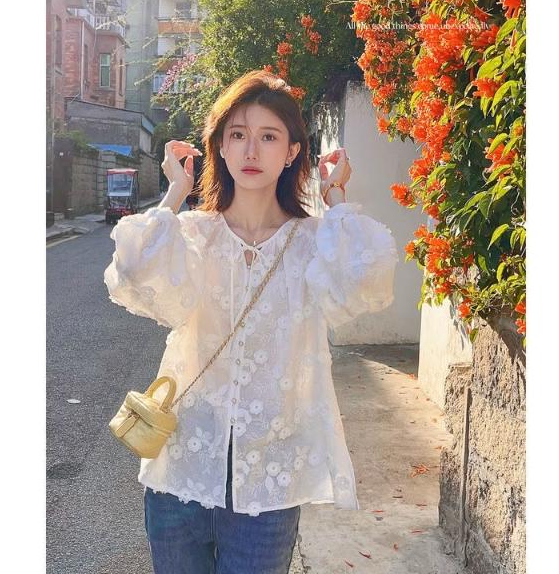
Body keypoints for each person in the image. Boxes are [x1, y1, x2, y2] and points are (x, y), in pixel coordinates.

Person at [103, 70, 399, 573]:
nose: (251, 150)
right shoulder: (193, 235)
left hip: (269, 482)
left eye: (269, 136)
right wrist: (175, 192)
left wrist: (334, 197)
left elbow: (365, 281)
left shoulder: (315, 243)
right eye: (237, 134)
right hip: (182, 470)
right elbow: (131, 271)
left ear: (292, 152)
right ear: (220, 147)